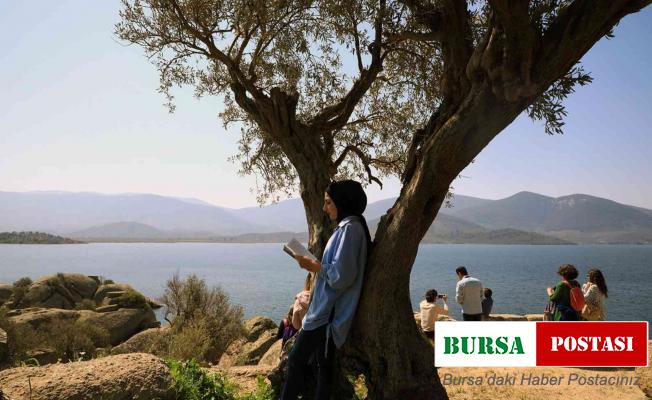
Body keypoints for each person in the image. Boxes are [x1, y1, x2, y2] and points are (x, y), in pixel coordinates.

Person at [281, 180, 371, 400]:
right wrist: (317, 266)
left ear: (342, 202)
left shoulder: (350, 230)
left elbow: (342, 276)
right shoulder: (349, 228)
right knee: (324, 367)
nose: (324, 208)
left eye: (328, 202)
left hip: (327, 315)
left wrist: (312, 265)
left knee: (296, 361)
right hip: (327, 312)